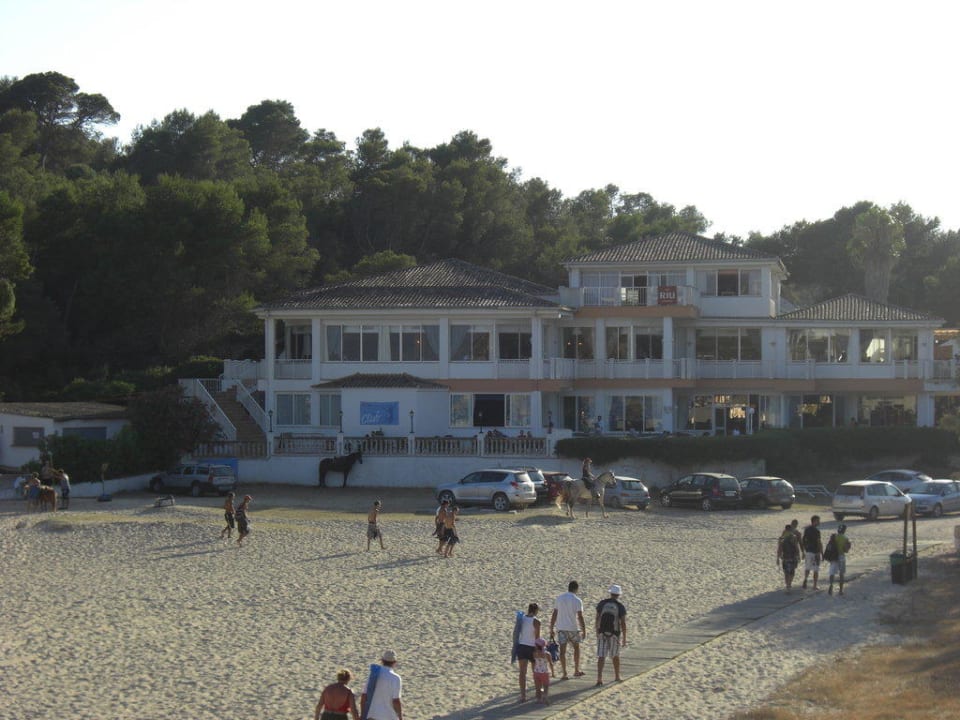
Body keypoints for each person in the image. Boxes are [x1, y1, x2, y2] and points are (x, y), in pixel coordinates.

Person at [549, 580, 586, 679]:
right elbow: (580, 616)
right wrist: (584, 629)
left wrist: (551, 627)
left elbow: (555, 613)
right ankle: (576, 670)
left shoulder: (559, 598)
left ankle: (564, 673)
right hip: (573, 628)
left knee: (562, 651)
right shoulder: (577, 600)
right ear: (576, 589)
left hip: (561, 627)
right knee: (576, 648)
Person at [595, 584, 627, 686]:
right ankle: (617, 676)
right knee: (615, 655)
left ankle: (599, 678)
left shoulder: (602, 603)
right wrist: (624, 637)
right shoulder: (620, 606)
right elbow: (622, 623)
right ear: (618, 595)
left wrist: (597, 631)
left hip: (602, 632)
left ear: (610, 593)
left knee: (601, 656)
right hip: (614, 634)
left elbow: (597, 618)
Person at [360, 649, 402, 720]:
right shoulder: (396, 678)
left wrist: (362, 714)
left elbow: (364, 696)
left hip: (372, 715)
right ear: (394, 662)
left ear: (382, 661)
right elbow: (396, 701)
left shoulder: (374, 674)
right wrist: (400, 716)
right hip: (389, 716)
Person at [516, 602, 541, 702]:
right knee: (535, 671)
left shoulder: (521, 619)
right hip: (532, 647)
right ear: (536, 611)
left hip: (522, 646)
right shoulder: (536, 621)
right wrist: (538, 649)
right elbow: (537, 637)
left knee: (522, 672)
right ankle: (537, 692)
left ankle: (523, 695)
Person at [777, 523, 802, 593]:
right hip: (792, 557)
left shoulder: (782, 538)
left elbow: (779, 549)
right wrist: (798, 556)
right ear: (790, 530)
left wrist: (778, 558)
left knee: (786, 572)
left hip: (785, 557)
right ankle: (789, 584)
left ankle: (788, 585)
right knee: (792, 572)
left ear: (785, 529)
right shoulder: (793, 537)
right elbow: (797, 548)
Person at [828, 523, 852, 596]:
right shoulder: (845, 538)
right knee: (841, 574)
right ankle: (840, 590)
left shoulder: (834, 537)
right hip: (841, 556)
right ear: (844, 530)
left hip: (833, 556)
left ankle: (831, 585)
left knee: (832, 572)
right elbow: (846, 550)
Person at [801, 515, 823, 590]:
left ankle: (805, 579)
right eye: (818, 521)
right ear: (815, 521)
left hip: (808, 551)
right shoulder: (817, 531)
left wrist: (804, 550)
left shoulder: (807, 530)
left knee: (807, 568)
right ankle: (815, 585)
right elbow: (819, 542)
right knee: (816, 569)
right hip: (815, 552)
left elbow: (803, 540)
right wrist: (821, 552)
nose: (819, 522)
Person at [531, 637, 555, 704]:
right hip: (545, 672)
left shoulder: (534, 653)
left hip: (536, 672)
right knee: (546, 686)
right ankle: (545, 696)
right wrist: (553, 672)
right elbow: (551, 663)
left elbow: (534, 663)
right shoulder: (547, 654)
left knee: (538, 687)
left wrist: (533, 670)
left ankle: (539, 699)